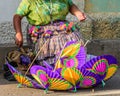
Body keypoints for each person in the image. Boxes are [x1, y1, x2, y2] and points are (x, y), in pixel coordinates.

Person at [13, 0, 86, 66]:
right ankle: (52, 66)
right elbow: (17, 17)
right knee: (53, 42)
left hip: (61, 26)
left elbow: (70, 5)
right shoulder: (29, 2)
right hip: (41, 29)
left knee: (74, 37)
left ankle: (74, 64)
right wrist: (18, 33)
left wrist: (78, 13)